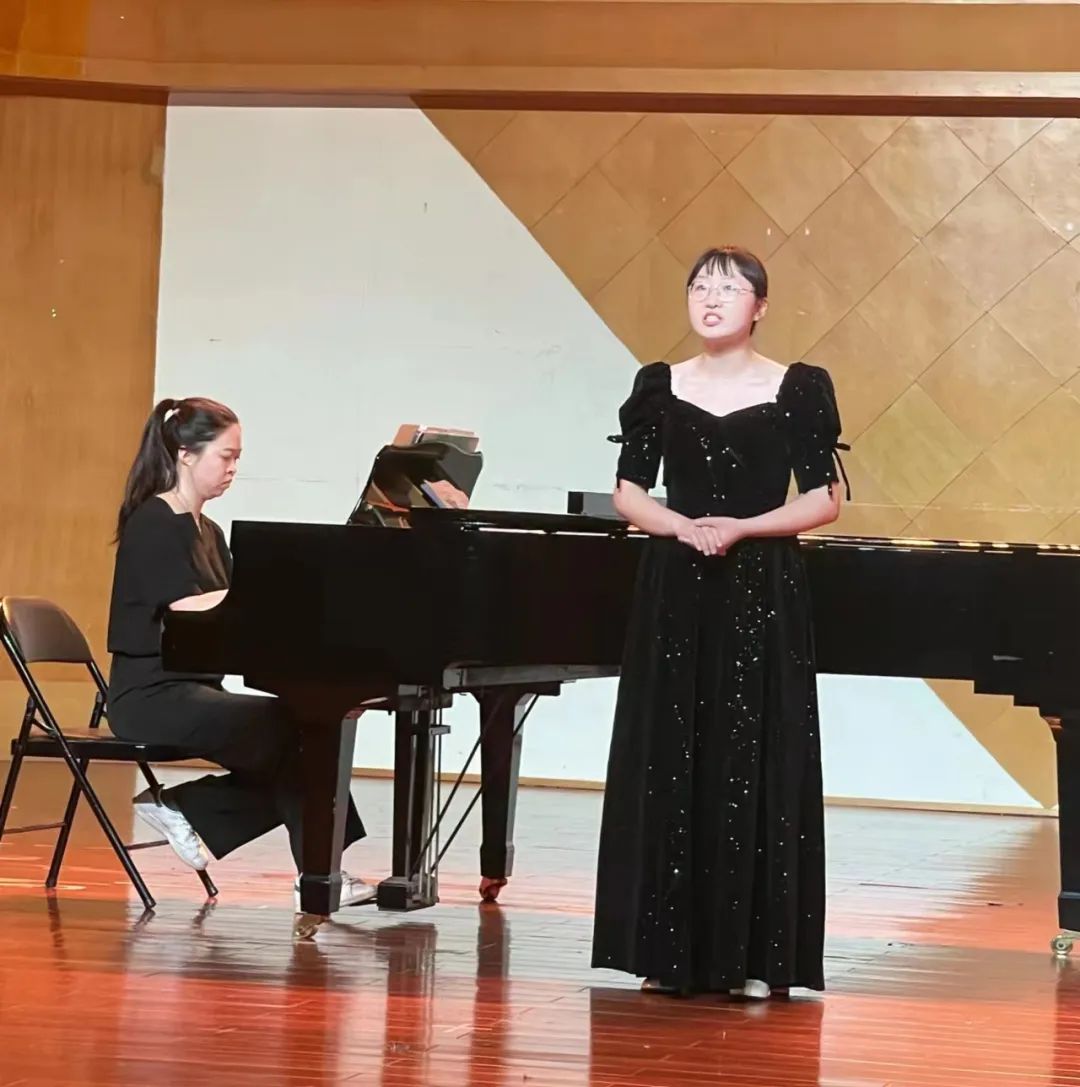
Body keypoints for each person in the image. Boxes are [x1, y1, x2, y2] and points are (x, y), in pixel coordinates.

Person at [591, 246, 849, 998]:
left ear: (759, 307)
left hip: (760, 583)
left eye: (729, 288)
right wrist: (683, 526)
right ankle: (665, 954)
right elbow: (629, 493)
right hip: (675, 584)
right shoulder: (659, 385)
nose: (710, 298)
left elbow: (826, 498)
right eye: (700, 286)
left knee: (752, 750)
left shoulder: (798, 387)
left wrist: (740, 528)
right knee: (669, 752)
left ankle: (755, 959)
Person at [106, 397, 374, 908]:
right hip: (150, 697)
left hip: (195, 690)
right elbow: (188, 607)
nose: (232, 468)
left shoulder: (208, 532)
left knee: (311, 724)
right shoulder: (154, 521)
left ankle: (200, 813)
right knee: (295, 730)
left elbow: (240, 628)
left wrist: (317, 679)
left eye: (237, 458)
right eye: (225, 456)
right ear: (186, 454)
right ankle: (320, 875)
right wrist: (266, 600)